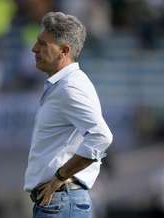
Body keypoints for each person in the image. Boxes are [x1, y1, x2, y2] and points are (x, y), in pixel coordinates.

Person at [23, 11, 113, 218]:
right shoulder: (66, 84)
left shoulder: (70, 87)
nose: (34, 49)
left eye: (43, 44)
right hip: (60, 203)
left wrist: (59, 177)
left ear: (64, 50)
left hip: (61, 202)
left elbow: (101, 136)